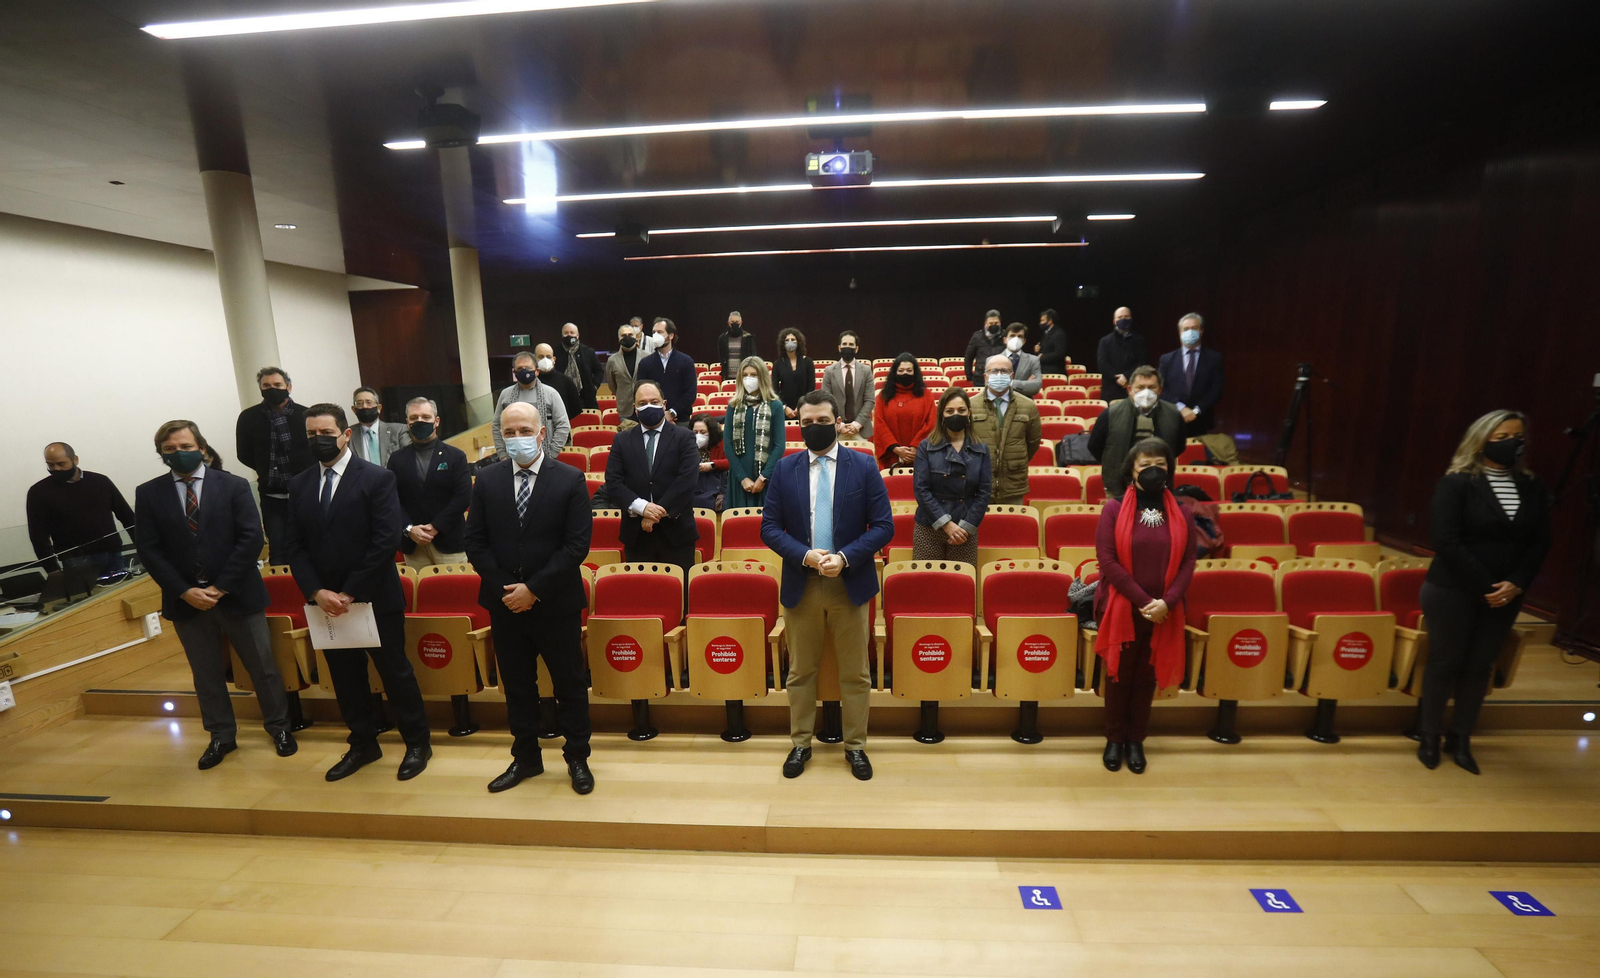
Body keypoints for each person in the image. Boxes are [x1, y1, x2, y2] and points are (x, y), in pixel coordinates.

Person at [283, 403, 432, 783]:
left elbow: (384, 541)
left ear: (346, 434)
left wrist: (349, 592)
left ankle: (417, 743)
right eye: (311, 434)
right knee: (345, 678)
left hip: (373, 597)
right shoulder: (299, 484)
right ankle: (363, 743)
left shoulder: (377, 478)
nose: (318, 440)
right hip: (324, 603)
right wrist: (317, 591)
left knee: (395, 673)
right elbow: (294, 546)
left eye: (326, 433)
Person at [134, 420, 294, 768]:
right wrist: (184, 590)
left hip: (237, 594)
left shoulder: (234, 485)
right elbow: (149, 550)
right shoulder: (148, 493)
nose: (179, 453)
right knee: (205, 675)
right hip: (186, 601)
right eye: (170, 449)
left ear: (202, 448)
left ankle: (280, 728)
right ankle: (222, 736)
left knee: (262, 668)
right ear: (161, 453)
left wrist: (220, 587)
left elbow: (251, 538)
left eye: (186, 447)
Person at [760, 389, 893, 781]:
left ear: (837, 423)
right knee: (801, 671)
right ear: (798, 425)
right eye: (807, 422)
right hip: (802, 581)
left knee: (855, 672)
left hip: (849, 583)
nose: (814, 427)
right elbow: (769, 527)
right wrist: (806, 555)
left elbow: (883, 526)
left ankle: (856, 747)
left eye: (822, 421)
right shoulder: (785, 468)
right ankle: (801, 743)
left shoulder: (863, 465)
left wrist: (845, 557)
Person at [463, 401, 595, 794]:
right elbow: (475, 543)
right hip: (505, 604)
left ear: (541, 434)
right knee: (518, 687)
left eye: (524, 430)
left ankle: (577, 758)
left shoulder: (570, 479)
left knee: (569, 685)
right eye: (509, 432)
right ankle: (526, 758)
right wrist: (509, 589)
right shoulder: (487, 480)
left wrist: (533, 589)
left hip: (556, 603)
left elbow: (576, 546)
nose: (517, 438)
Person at [1416, 410, 1550, 775]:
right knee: (1445, 663)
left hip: (1507, 592)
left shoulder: (1531, 485)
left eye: (1518, 437)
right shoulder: (1457, 483)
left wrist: (1516, 583)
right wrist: (1488, 586)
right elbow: (1446, 541)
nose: (1512, 443)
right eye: (1502, 436)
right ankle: (1429, 737)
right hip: (1453, 588)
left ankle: (1460, 739)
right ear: (1481, 440)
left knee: (1480, 666)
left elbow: (1539, 541)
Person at [1093, 437, 1197, 775]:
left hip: (1165, 610)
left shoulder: (1182, 511)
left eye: (1160, 464)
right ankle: (1114, 739)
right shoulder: (1113, 508)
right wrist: (1144, 600)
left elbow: (1188, 562)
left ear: (1170, 469)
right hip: (1123, 606)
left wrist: (1167, 602)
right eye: (1145, 465)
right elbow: (1108, 561)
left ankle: (1136, 740)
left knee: (1146, 677)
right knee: (1120, 675)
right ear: (1132, 470)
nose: (1154, 470)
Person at [604, 381, 701, 573]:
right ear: (635, 408)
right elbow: (613, 482)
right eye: (643, 403)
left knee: (679, 590)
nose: (649, 406)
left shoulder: (685, 437)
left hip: (676, 534)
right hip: (637, 535)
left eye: (654, 401)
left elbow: (687, 480)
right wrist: (643, 508)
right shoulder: (622, 440)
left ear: (664, 404)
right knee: (641, 591)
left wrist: (656, 514)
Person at [27, 442, 135, 579]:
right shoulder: (39, 492)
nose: (56, 469)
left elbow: (126, 516)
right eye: (50, 465)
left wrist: (144, 547)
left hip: (112, 554)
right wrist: (52, 569)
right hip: (75, 560)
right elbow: (38, 535)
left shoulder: (100, 481)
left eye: (61, 464)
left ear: (75, 459)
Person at [235, 366, 310, 563]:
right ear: (260, 389)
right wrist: (266, 469)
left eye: (277, 384)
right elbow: (243, 454)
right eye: (266, 386)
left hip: (306, 493)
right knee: (278, 549)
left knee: (311, 544)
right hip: (272, 497)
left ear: (289, 387)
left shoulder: (306, 414)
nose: (272, 389)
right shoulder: (248, 418)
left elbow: (314, 451)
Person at [388, 397, 472, 569]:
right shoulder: (397, 459)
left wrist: (435, 526)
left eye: (426, 417)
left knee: (453, 586)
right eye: (414, 418)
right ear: (407, 422)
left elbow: (463, 497)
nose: (420, 421)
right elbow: (392, 500)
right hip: (413, 544)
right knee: (418, 587)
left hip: (449, 542)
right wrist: (409, 529)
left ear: (436, 421)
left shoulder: (456, 456)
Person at [911, 389, 991, 562]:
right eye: (950, 411)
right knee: (927, 578)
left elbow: (984, 493)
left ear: (969, 412)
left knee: (962, 578)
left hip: (964, 530)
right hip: (929, 526)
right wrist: (946, 524)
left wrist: (965, 527)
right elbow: (921, 490)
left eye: (961, 410)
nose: (956, 415)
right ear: (942, 414)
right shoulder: (926, 447)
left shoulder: (982, 449)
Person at [1088, 365, 1185, 498]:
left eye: (1151, 387)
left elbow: (1178, 447)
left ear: (1160, 390)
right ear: (1129, 389)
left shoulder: (1174, 414)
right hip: (1118, 487)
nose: (1146, 392)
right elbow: (1094, 446)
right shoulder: (1110, 414)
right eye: (1140, 387)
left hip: (1160, 485)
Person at [969, 354, 1042, 505]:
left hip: (1013, 484)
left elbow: (1033, 442)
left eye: (1004, 371)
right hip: (979, 485)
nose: (999, 375)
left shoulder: (1028, 406)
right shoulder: (970, 405)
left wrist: (1013, 460)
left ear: (1012, 376)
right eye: (994, 371)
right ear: (986, 376)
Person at [723, 356, 786, 510]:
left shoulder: (775, 406)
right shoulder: (733, 406)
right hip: (739, 477)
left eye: (753, 375)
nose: (748, 379)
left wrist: (763, 477)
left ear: (762, 377)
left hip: (766, 477)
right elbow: (728, 445)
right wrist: (742, 478)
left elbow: (779, 445)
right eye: (745, 375)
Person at [492, 350, 571, 458]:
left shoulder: (551, 394)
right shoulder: (505, 395)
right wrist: (503, 455)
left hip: (545, 456)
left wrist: (552, 454)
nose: (524, 371)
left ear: (537, 371)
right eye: (520, 368)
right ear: (514, 372)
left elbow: (563, 425)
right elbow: (497, 426)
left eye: (528, 368)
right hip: (511, 458)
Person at [1157, 313, 1224, 437]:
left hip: (1202, 420)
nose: (1190, 332)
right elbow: (1160, 388)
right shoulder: (1167, 359)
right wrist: (1181, 408)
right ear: (1180, 332)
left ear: (1201, 331)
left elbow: (1217, 390)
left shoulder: (1214, 358)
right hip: (1172, 418)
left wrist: (1196, 411)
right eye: (1186, 329)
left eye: (1194, 328)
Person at [872, 354, 939, 469]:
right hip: (892, 456)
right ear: (895, 373)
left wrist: (915, 447)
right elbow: (879, 425)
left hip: (921, 454)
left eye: (909, 370)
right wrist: (896, 449)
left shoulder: (927, 395)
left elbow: (931, 424)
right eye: (901, 370)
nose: (905, 373)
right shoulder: (883, 396)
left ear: (915, 372)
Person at [634, 317, 697, 423]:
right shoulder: (645, 363)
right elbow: (641, 391)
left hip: (680, 420)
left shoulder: (686, 361)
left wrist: (672, 412)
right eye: (654, 332)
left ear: (671, 335)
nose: (655, 335)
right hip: (652, 420)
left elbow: (690, 393)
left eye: (659, 332)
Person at [820, 331, 874, 440]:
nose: (847, 347)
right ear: (839, 348)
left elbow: (869, 400)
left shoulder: (866, 371)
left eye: (851, 344)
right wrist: (840, 425)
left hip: (861, 429)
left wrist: (856, 424)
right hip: (836, 430)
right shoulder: (829, 371)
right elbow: (826, 401)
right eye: (844, 344)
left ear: (856, 349)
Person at [348, 387, 409, 466]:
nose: (365, 406)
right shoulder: (348, 435)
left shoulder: (399, 430)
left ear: (379, 408)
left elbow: (408, 458)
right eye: (359, 403)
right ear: (354, 410)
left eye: (369, 402)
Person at [1096, 307, 1146, 402]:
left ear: (1131, 319)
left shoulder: (1139, 340)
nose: (1123, 319)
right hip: (1111, 389)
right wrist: (1117, 377)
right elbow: (1102, 363)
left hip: (1132, 386)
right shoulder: (1105, 341)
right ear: (1114, 321)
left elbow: (1141, 362)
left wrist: (1126, 376)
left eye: (1126, 317)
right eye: (1120, 317)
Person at [556, 322, 602, 411]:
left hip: (587, 398)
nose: (569, 335)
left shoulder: (589, 352)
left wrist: (594, 386)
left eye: (572, 332)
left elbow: (599, 371)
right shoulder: (555, 353)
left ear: (577, 335)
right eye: (566, 333)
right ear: (562, 335)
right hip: (563, 398)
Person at [535, 342, 583, 423]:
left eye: (548, 357)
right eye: (541, 357)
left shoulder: (566, 381)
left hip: (561, 425)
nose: (545, 360)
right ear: (534, 359)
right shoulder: (530, 382)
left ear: (554, 360)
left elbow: (575, 409)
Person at [772, 327, 815, 419]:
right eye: (787, 340)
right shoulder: (778, 364)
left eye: (793, 339)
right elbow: (774, 389)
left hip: (805, 408)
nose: (790, 342)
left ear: (798, 342)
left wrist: (801, 406)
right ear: (783, 343)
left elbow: (811, 387)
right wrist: (784, 407)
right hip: (784, 410)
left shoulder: (808, 362)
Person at [690, 414, 729, 512]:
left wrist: (713, 465)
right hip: (695, 485)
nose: (699, 435)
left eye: (703, 432)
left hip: (717, 484)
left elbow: (730, 462)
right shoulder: (687, 445)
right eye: (695, 432)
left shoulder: (721, 443)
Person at [604, 322, 641, 417]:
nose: (627, 337)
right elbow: (612, 385)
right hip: (624, 408)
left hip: (644, 406)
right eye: (623, 335)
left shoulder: (647, 356)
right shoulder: (612, 360)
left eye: (630, 335)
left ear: (636, 337)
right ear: (619, 339)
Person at [963, 309, 1006, 384]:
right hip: (980, 378)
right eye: (991, 323)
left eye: (996, 323)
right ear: (985, 323)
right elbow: (968, 357)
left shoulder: (1005, 335)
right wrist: (969, 376)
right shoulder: (977, 336)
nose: (994, 325)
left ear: (1000, 323)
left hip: (1001, 377)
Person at [716, 310, 758, 381]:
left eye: (737, 321)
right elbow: (721, 356)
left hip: (745, 376)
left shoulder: (748, 338)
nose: (734, 323)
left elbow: (753, 357)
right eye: (732, 322)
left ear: (741, 323)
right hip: (728, 377)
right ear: (728, 323)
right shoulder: (722, 338)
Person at [1003, 322, 1043, 396]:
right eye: (1012, 336)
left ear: (1024, 341)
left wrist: (1010, 383)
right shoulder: (992, 360)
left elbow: (1036, 386)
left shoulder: (1033, 360)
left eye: (1020, 336)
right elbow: (990, 386)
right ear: (1005, 340)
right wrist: (1026, 384)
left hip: (1025, 402)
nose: (1016, 339)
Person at [1036, 308, 1068, 377]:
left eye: (1043, 320)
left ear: (1050, 321)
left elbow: (1060, 353)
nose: (1041, 323)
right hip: (1045, 370)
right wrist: (1038, 350)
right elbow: (1045, 350)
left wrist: (1042, 357)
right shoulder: (1047, 333)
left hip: (1055, 373)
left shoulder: (1058, 333)